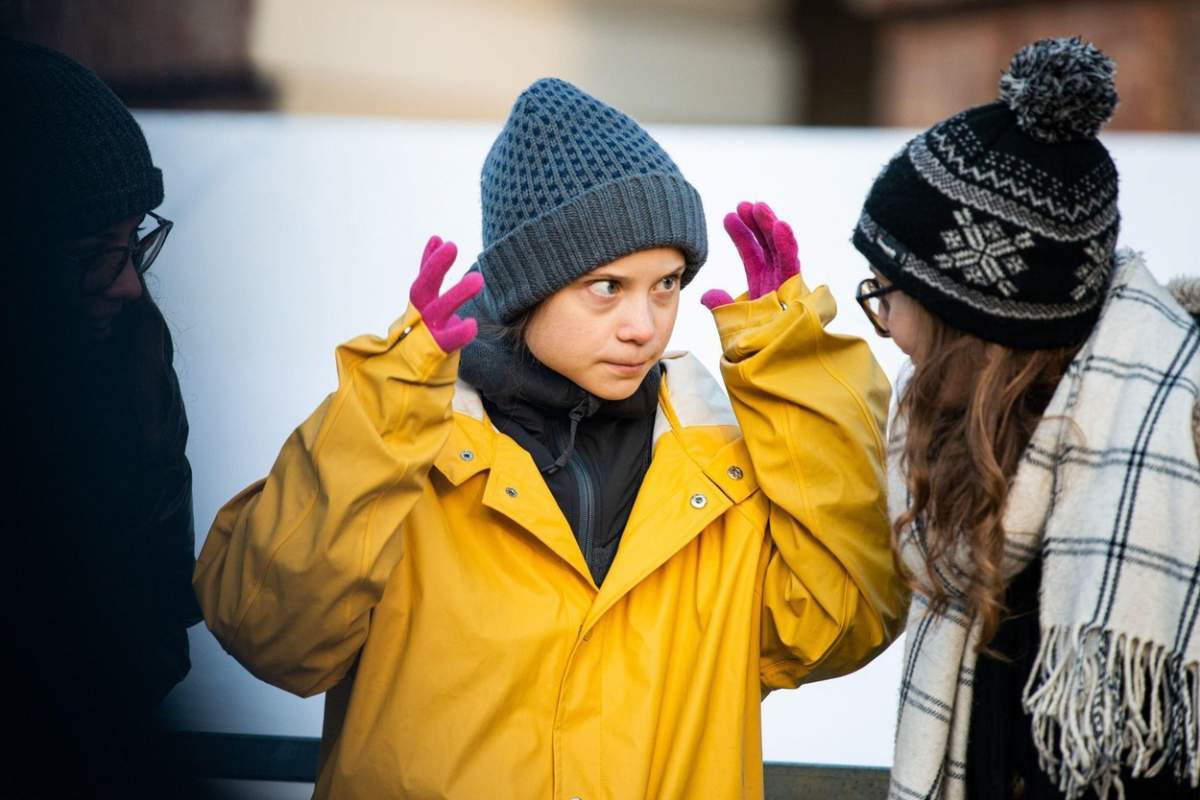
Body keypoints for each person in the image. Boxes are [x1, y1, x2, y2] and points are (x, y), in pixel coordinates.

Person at [194, 77, 907, 798]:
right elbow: (273, 635)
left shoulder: (713, 464)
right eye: (607, 287)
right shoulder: (407, 447)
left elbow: (840, 620)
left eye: (667, 284)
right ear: (527, 286)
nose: (645, 324)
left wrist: (798, 371)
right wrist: (384, 410)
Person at [850, 37, 1200, 799]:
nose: (884, 327)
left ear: (966, 323)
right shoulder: (981, 464)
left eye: (884, 294)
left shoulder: (1171, 466)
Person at [1, 39, 202, 796]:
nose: (126, 287)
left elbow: (161, 621)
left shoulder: (135, 355)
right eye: (92, 254)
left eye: (132, 247)